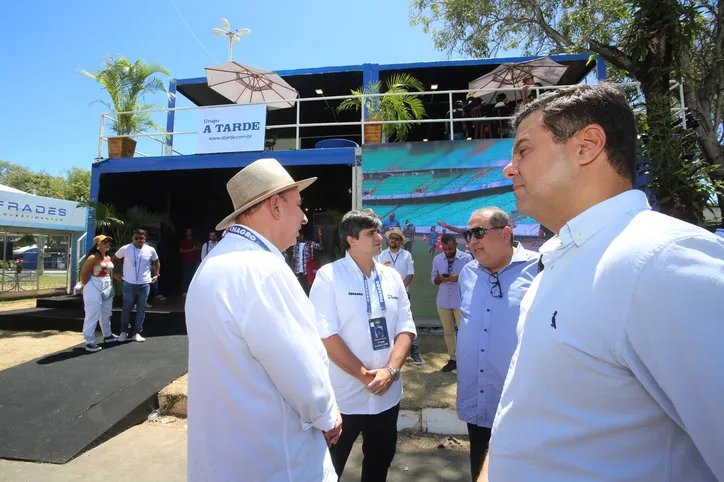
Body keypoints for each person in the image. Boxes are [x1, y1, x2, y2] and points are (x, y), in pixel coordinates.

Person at [479, 83, 724, 481]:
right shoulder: (560, 262)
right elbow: (528, 413)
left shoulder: (662, 259)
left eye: (523, 150)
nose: (510, 168)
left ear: (587, 145)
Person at [185, 158, 342, 482]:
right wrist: (328, 415)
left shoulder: (213, 264)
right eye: (299, 205)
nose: (303, 217)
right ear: (274, 206)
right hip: (277, 463)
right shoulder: (262, 269)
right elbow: (302, 372)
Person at [310, 210, 417, 482]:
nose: (380, 237)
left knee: (379, 465)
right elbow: (326, 335)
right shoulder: (329, 277)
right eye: (371, 233)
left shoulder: (391, 277)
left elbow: (406, 327)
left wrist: (390, 372)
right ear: (351, 240)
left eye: (378, 231)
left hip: (387, 396)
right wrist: (364, 375)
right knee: (327, 469)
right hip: (343, 398)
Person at [456, 208, 537, 481]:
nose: (472, 241)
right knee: (479, 467)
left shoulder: (540, 269)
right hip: (478, 398)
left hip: (522, 403)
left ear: (506, 234)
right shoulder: (467, 273)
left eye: (479, 232)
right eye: (468, 235)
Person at [377, 227, 422, 365]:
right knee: (386, 321)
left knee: (406, 322)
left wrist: (400, 289)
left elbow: (410, 273)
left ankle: (414, 351)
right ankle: (386, 354)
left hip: (402, 294)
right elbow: (376, 273)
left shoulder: (406, 255)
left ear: (401, 241)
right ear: (388, 240)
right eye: (391, 238)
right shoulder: (382, 255)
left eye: (396, 239)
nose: (393, 240)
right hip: (384, 294)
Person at [431, 233, 473, 372]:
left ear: (456, 244)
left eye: (450, 248)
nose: (448, 251)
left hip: (461, 301)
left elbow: (472, 278)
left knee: (464, 332)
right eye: (445, 249)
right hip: (443, 301)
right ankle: (453, 359)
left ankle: (466, 359)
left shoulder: (467, 258)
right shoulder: (437, 259)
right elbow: (433, 279)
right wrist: (440, 279)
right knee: (448, 332)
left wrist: (458, 277)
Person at [112, 229, 159, 343]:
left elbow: (156, 261)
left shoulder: (150, 250)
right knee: (126, 308)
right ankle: (124, 331)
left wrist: (156, 274)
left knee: (141, 309)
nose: (139, 240)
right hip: (129, 283)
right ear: (132, 238)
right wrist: (114, 273)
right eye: (136, 238)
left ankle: (137, 332)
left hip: (144, 283)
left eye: (141, 238)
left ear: (145, 238)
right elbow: (114, 259)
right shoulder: (125, 248)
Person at [78, 235, 119, 352]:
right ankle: (89, 341)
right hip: (94, 283)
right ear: (97, 244)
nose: (107, 244)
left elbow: (108, 271)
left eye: (108, 242)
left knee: (106, 312)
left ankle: (108, 335)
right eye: (104, 242)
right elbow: (84, 273)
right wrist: (86, 287)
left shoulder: (107, 257)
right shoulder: (93, 257)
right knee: (93, 313)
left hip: (106, 284)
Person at [290, 227, 324, 294]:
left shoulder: (310, 244)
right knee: (299, 290)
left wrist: (319, 234)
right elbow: (293, 258)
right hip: (297, 272)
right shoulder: (296, 245)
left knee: (308, 290)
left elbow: (321, 247)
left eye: (298, 235)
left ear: (302, 235)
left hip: (307, 272)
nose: (297, 237)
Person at [179, 228, 198, 296]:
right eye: (188, 231)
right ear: (186, 233)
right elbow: (180, 250)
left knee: (193, 276)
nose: (189, 233)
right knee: (186, 276)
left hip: (194, 261)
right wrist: (191, 250)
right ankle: (184, 291)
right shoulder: (184, 241)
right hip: (186, 261)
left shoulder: (194, 240)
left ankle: (191, 291)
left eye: (190, 231)